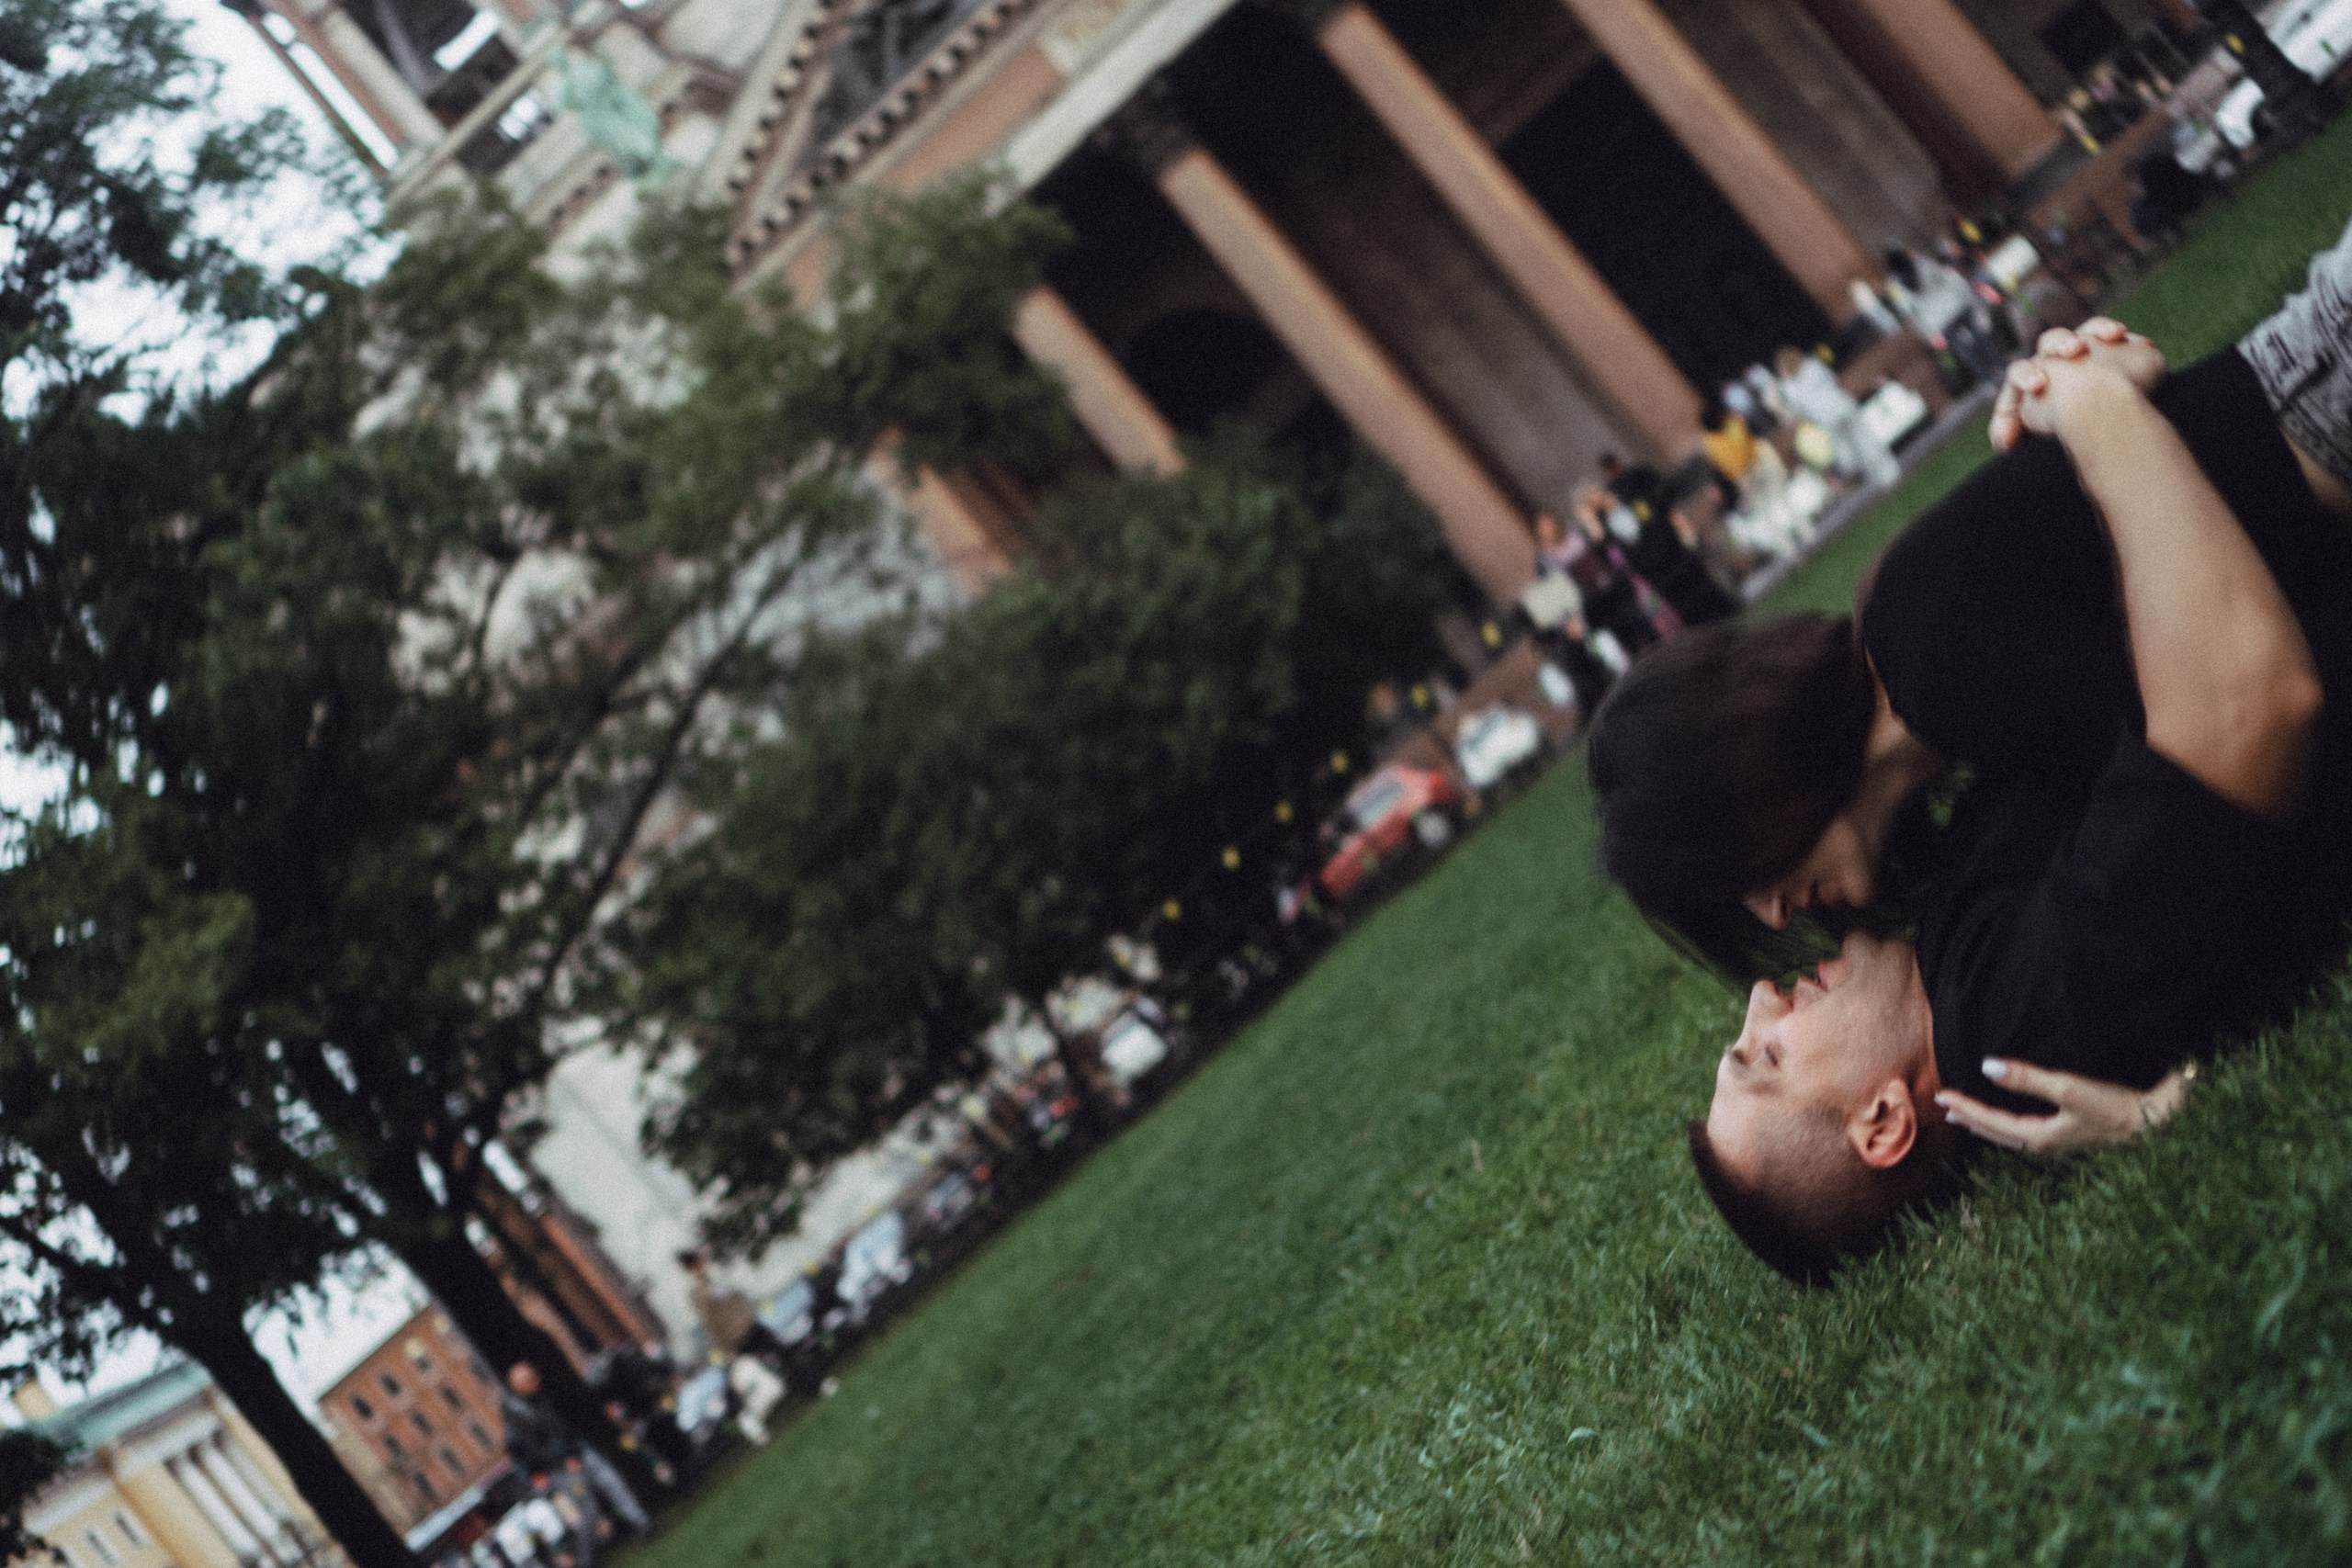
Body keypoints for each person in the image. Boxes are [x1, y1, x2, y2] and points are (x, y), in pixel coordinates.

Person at [1588, 215, 2352, 1272]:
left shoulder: (1931, 674)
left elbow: (2227, 711)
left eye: (1739, 880)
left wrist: (2093, 406)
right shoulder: (2004, 1016)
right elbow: (2231, 734)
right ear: (1883, 1124)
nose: (1765, 978)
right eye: (1763, 1055)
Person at [503, 1361, 653, 1541]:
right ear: (516, 1385)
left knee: (612, 1482)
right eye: (529, 1379)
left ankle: (642, 1522)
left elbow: (562, 1425)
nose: (536, 1381)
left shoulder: (542, 1397)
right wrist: (563, 1460)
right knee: (588, 1508)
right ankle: (585, 1558)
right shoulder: (517, 1413)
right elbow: (534, 1448)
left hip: (578, 1449)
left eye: (533, 1376)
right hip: (562, 1467)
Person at [678, 1248, 788, 1445]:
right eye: (698, 1262)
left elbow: (739, 1295)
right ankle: (750, 1424)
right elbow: (709, 1324)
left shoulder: (716, 1277)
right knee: (735, 1386)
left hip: (750, 1327)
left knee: (783, 1353)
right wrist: (723, 1349)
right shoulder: (699, 1292)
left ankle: (812, 1386)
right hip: (734, 1339)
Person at [1773, 344, 1901, 491]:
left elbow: (1799, 411)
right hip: (1840, 404)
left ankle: (1878, 479)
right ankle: (1890, 472)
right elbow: (1832, 379)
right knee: (1865, 438)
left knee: (1851, 450)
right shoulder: (1812, 365)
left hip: (1825, 418)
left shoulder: (1788, 387)